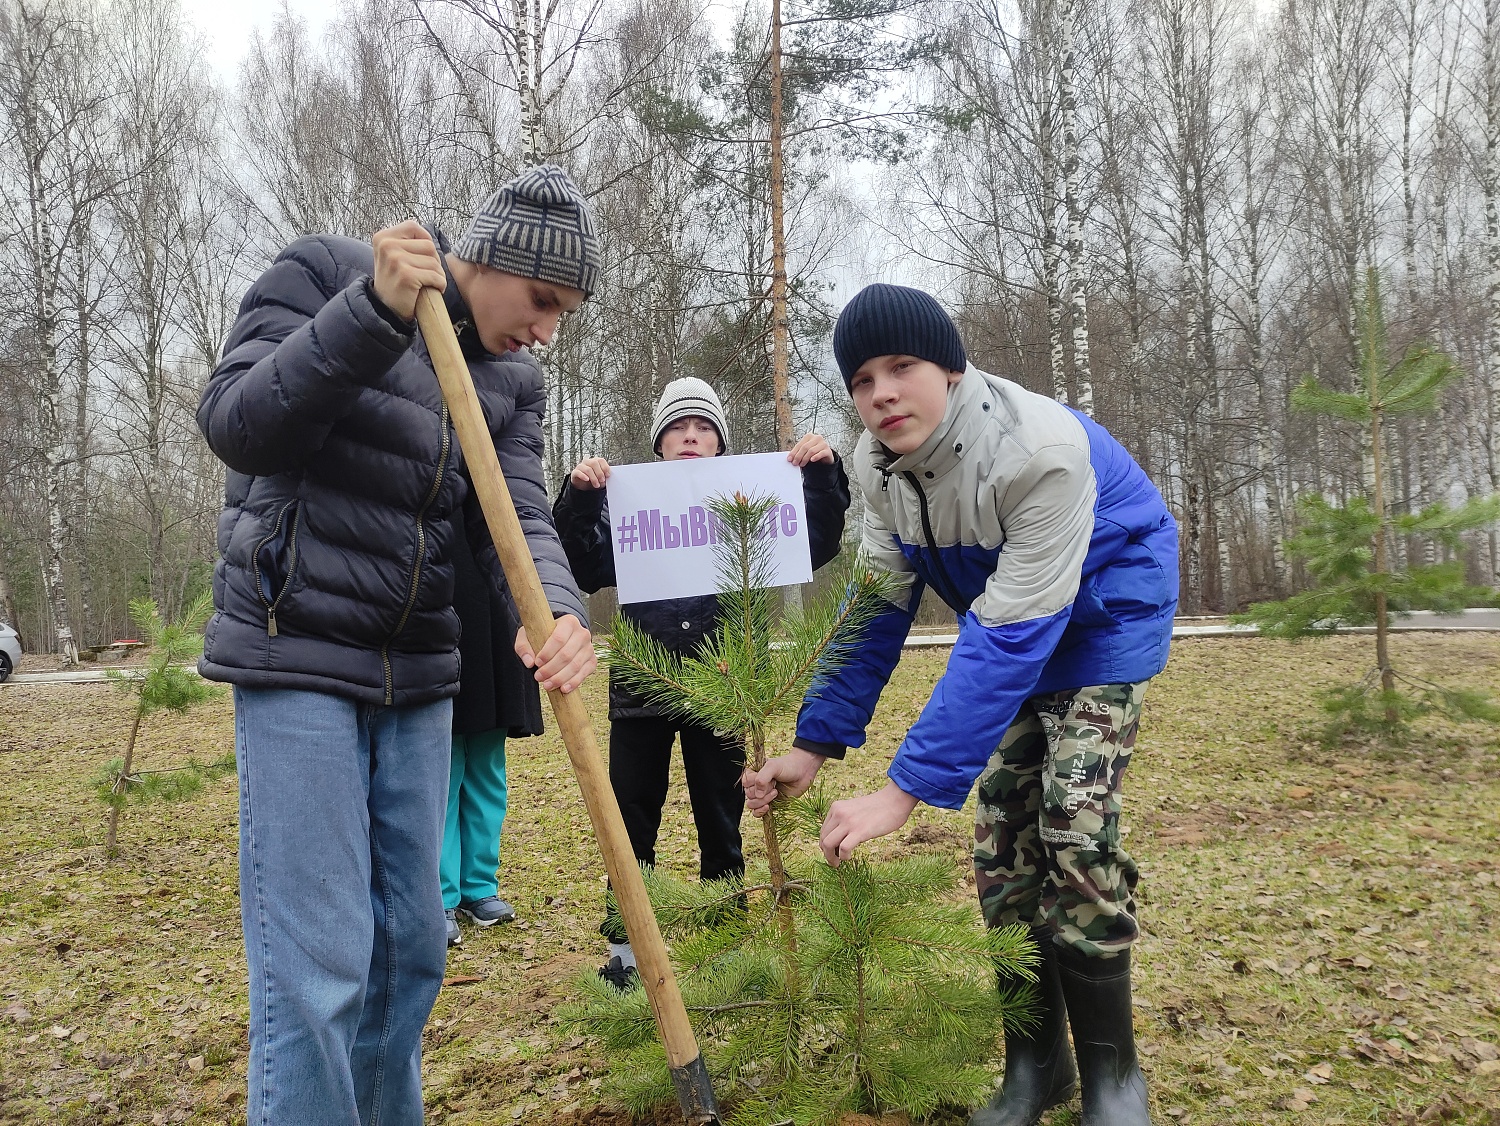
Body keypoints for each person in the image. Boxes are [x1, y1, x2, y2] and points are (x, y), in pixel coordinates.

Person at [196, 164, 600, 1125]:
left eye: (564, 313)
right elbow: (238, 424)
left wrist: (559, 610)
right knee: (320, 963)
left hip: (421, 672)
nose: (546, 328)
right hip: (298, 654)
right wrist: (372, 312)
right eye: (542, 300)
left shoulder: (512, 379)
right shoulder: (326, 274)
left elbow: (520, 518)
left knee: (412, 949)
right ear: (488, 258)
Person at [743, 284, 1178, 1126]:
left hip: (1103, 614)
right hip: (1013, 615)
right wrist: (812, 745)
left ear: (950, 366)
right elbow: (875, 609)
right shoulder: (877, 469)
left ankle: (1115, 1080)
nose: (883, 394)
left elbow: (1013, 637)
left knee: (1074, 823)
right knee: (1003, 836)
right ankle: (1035, 1067)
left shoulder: (1035, 451)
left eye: (902, 367)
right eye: (862, 380)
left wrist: (901, 789)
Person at [552, 377, 851, 988]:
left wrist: (821, 477)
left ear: (720, 444)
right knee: (631, 815)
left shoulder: (747, 506)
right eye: (678, 428)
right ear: (659, 443)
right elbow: (586, 565)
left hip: (723, 685)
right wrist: (581, 499)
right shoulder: (629, 503)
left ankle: (728, 937)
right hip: (642, 689)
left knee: (723, 814)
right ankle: (627, 945)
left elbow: (815, 544)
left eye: (705, 427)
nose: (691, 436)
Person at [442, 515, 544, 946]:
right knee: (442, 779)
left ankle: (479, 888)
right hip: (438, 625)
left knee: (486, 772)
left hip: (496, 630)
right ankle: (440, 895)